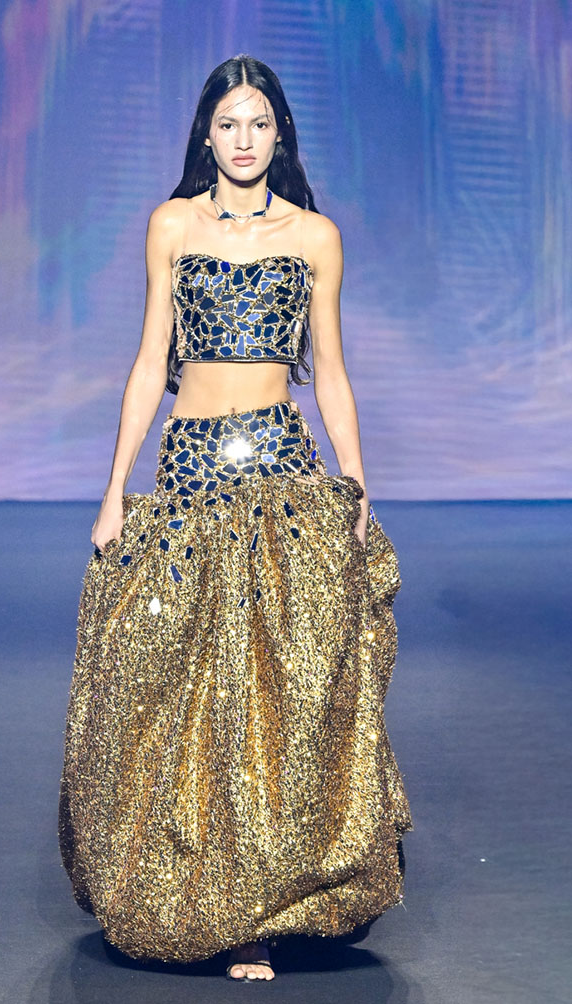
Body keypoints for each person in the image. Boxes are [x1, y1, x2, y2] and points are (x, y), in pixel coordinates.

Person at [58, 53, 412, 984]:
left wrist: (357, 481)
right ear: (206, 134)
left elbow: (330, 371)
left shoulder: (316, 236)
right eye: (228, 124)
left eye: (259, 123)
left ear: (279, 133)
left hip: (282, 472)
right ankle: (191, 889)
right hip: (188, 468)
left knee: (272, 686)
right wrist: (113, 487)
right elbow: (150, 361)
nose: (244, 139)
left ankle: (256, 910)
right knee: (175, 679)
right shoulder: (172, 224)